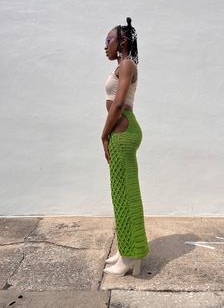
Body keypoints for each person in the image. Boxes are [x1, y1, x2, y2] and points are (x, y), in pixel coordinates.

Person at [101, 17, 149, 277]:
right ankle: (126, 249)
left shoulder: (128, 64)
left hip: (123, 133)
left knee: (126, 194)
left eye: (108, 40)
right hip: (120, 133)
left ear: (123, 41)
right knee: (120, 193)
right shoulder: (121, 66)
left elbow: (118, 104)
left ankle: (132, 256)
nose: (105, 45)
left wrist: (103, 134)